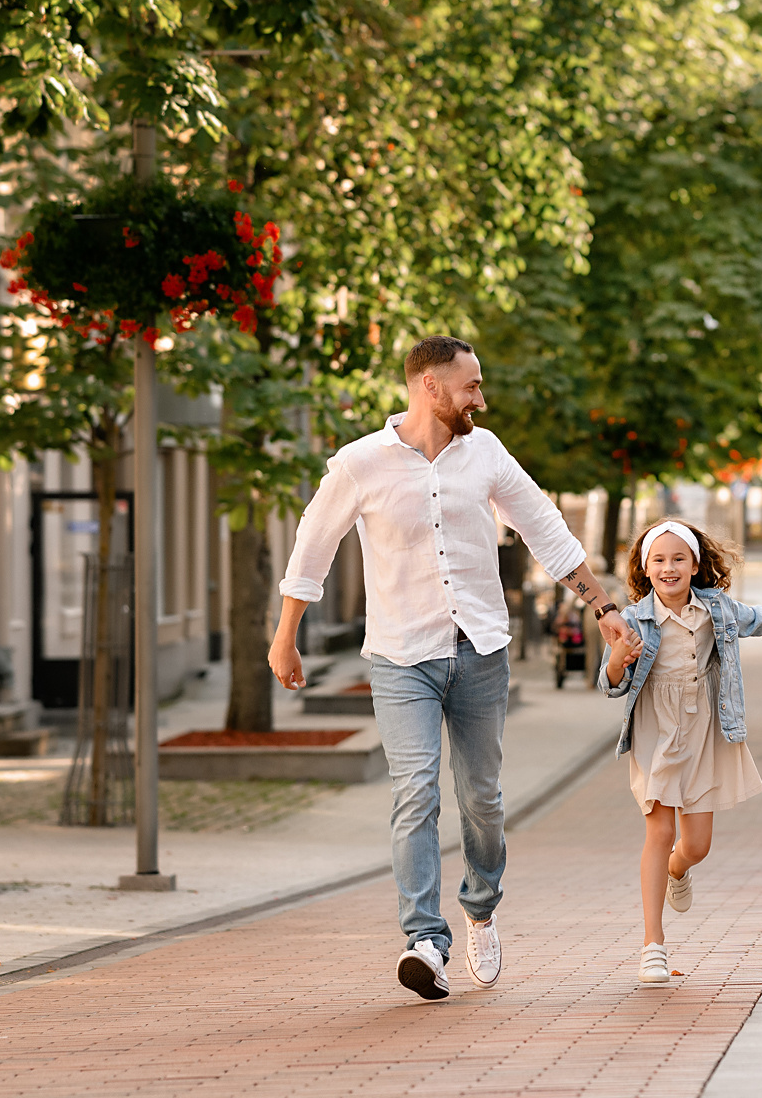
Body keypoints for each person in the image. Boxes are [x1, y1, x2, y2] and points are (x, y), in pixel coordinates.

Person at [271, 335, 640, 1002]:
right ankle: (424, 941)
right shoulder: (360, 464)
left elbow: (545, 528)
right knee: (415, 791)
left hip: (479, 651)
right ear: (429, 388)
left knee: (483, 801)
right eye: (470, 386)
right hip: (399, 656)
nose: (481, 397)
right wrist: (285, 635)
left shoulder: (486, 453)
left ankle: (482, 908)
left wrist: (603, 607)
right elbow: (313, 544)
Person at [599, 517, 762, 985]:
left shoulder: (716, 610)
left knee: (697, 846)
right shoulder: (630, 620)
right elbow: (611, 685)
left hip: (704, 727)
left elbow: (761, 619)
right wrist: (615, 659)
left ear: (695, 563)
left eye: (678, 559)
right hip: (656, 730)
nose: (669, 568)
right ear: (645, 568)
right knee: (659, 829)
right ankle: (653, 946)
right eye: (659, 560)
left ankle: (676, 870)